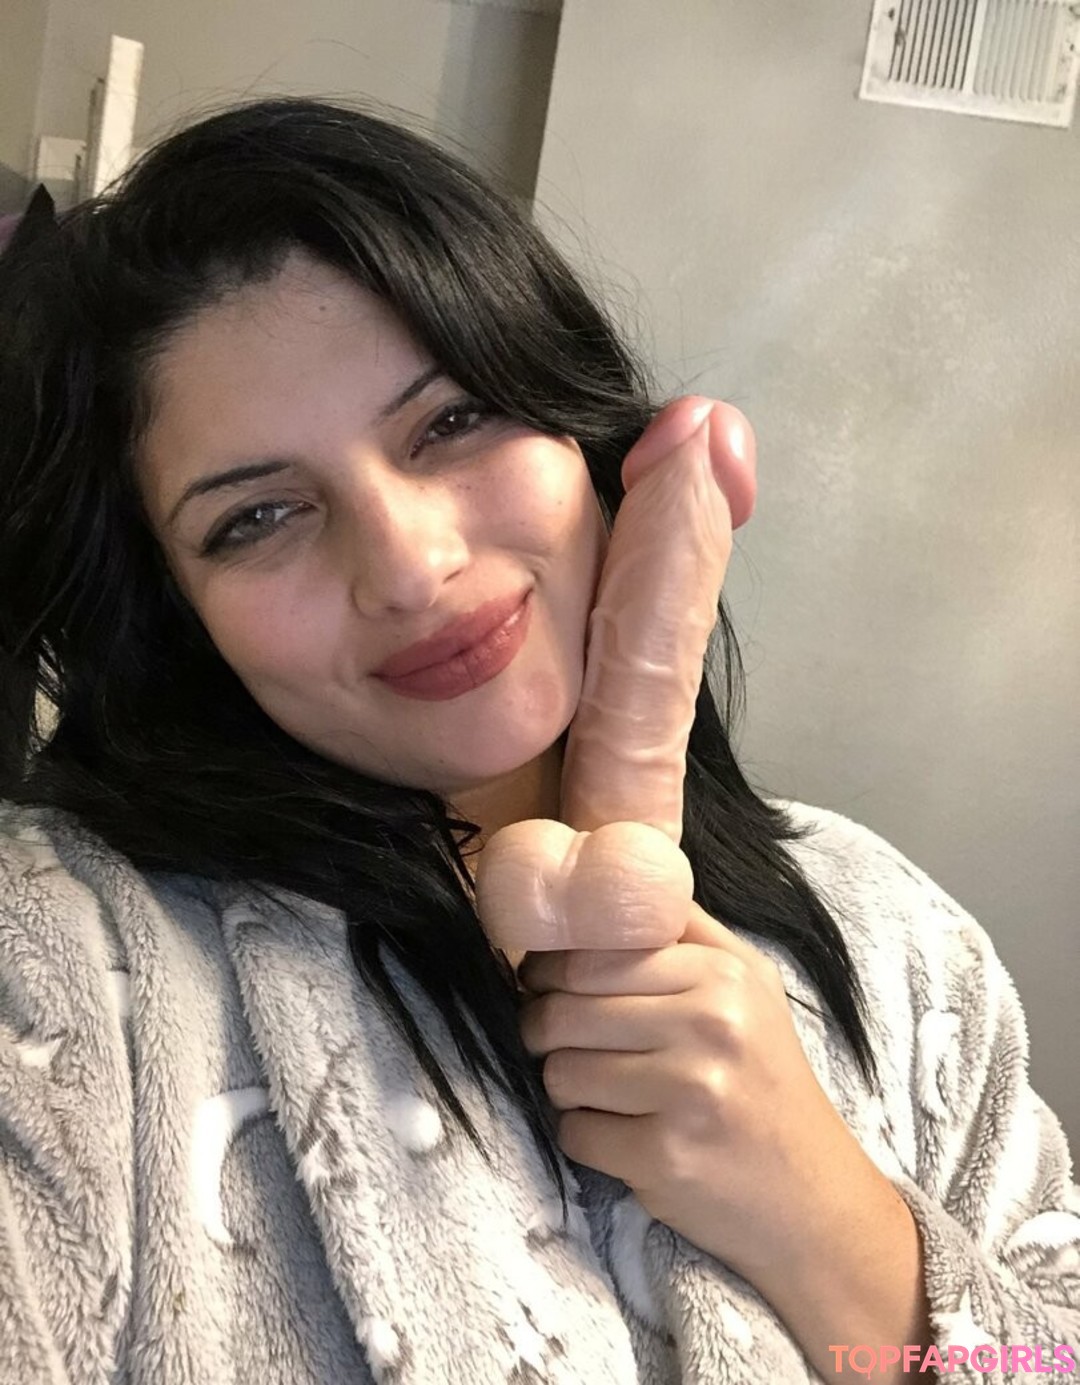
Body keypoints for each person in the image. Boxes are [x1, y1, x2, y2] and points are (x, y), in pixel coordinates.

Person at [0, 97, 1075, 1385]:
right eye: (258, 519)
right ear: (174, 615)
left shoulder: (898, 939)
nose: (411, 566)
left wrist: (828, 1215)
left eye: (451, 422)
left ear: (585, 434)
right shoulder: (62, 961)